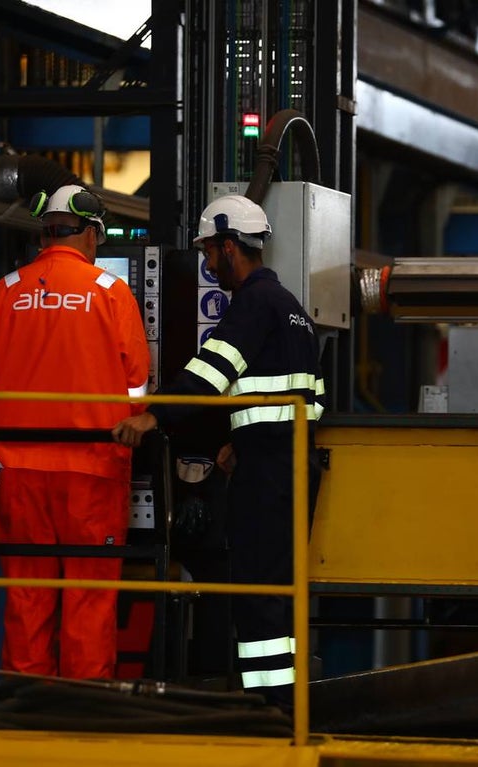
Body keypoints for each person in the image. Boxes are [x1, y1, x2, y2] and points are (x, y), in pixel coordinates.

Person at [112, 194, 325, 712]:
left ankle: (266, 712)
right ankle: (286, 707)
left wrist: (152, 415)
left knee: (255, 598)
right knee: (278, 592)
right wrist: (243, 439)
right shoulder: (292, 308)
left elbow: (210, 373)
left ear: (231, 246)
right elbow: (306, 399)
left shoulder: (252, 303)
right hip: (292, 465)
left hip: (267, 476)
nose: (207, 264)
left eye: (209, 252)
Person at [0, 183, 151, 678]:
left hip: (15, 471)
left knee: (27, 596)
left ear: (45, 233)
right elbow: (138, 383)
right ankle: (83, 716)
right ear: (92, 234)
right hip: (91, 470)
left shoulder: (2, 292)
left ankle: (24, 712)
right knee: (89, 596)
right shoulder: (110, 293)